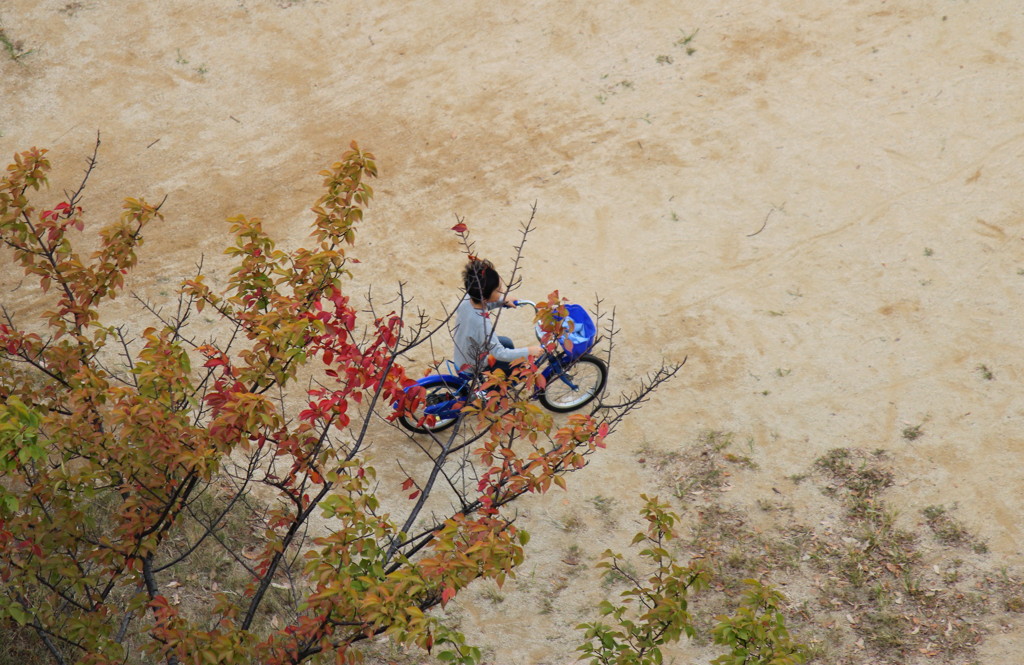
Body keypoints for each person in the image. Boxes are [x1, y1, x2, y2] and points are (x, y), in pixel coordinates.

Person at [453, 258, 543, 375]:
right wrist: (529, 351)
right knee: (517, 367)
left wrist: (502, 300)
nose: (502, 292)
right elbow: (500, 353)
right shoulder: (481, 323)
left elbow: (484, 304)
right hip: (473, 364)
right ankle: (493, 392)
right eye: (499, 290)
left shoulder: (468, 299)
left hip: (463, 353)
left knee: (506, 342)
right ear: (485, 298)